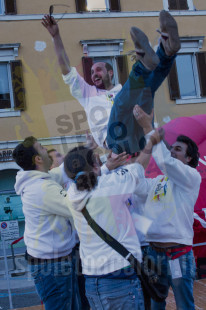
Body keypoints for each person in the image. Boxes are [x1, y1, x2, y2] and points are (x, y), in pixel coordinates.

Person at [42, 10, 180, 154]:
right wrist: (56, 36)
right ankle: (143, 65)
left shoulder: (122, 90)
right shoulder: (88, 94)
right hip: (116, 140)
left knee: (147, 90)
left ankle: (167, 50)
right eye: (92, 72)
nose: (94, 74)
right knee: (122, 103)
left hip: (140, 132)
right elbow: (66, 70)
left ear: (110, 73)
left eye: (99, 70)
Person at [62, 128, 164, 310]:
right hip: (120, 278)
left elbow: (90, 179)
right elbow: (138, 168)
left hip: (92, 280)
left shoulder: (72, 193)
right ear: (94, 164)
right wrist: (150, 142)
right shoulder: (110, 186)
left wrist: (106, 167)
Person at [133, 106, 202, 310]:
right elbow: (135, 185)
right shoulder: (159, 181)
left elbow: (165, 161)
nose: (172, 151)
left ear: (189, 158)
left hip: (178, 255)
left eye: (178, 149)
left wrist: (149, 128)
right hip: (154, 254)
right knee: (156, 302)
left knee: (184, 305)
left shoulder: (192, 177)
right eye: (172, 148)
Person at [12, 136, 81, 310]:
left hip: (55, 263)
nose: (46, 149)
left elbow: (60, 172)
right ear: (38, 159)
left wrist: (89, 150)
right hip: (53, 266)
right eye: (41, 147)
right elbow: (76, 206)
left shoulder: (40, 179)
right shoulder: (42, 188)